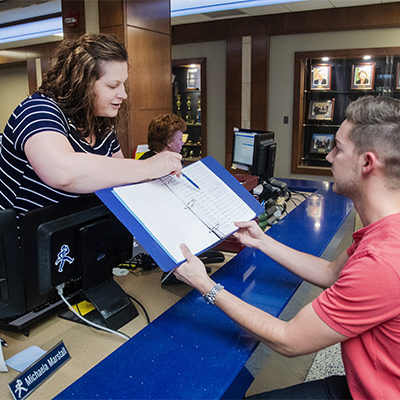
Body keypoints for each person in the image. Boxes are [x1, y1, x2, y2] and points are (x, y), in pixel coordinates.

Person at [174, 96, 400, 399]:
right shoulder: (385, 230)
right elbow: (332, 273)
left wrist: (205, 284)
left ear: (367, 162)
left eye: (338, 148)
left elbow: (289, 339)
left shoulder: (383, 260)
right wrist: (262, 241)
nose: (329, 157)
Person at [0, 34, 182, 216]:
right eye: (113, 86)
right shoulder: (37, 109)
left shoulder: (101, 123)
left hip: (72, 233)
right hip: (19, 237)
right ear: (82, 83)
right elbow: (62, 172)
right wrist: (147, 167)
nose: (123, 94)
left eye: (123, 85)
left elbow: (121, 177)